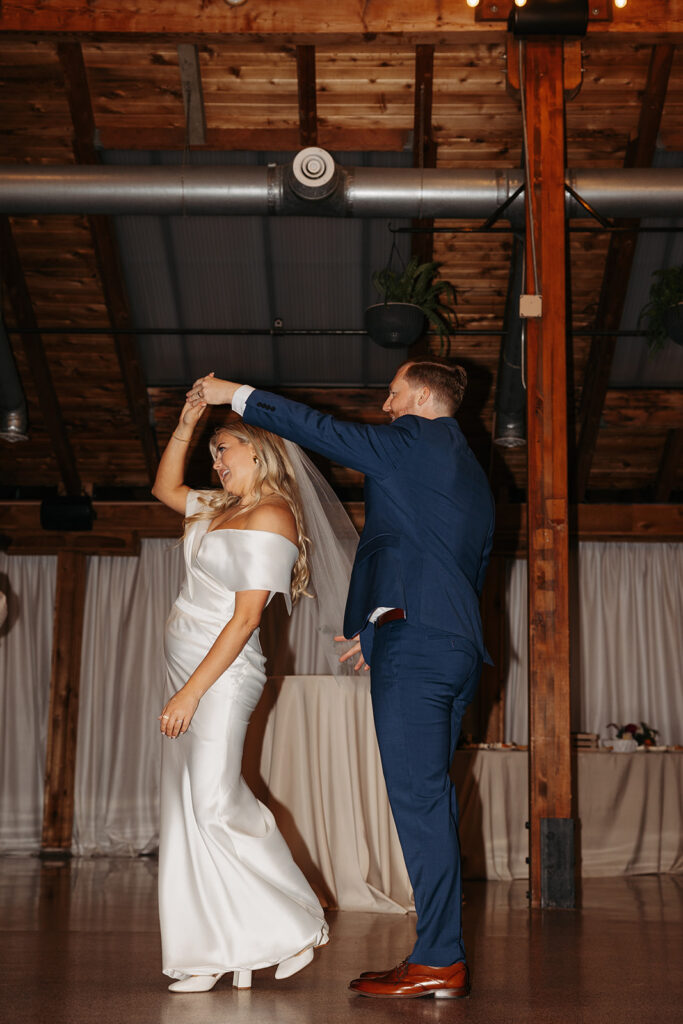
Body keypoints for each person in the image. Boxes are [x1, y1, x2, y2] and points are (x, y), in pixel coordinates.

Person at [187, 360, 495, 1000]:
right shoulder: (468, 469)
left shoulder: (419, 440)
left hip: (421, 650)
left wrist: (235, 396)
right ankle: (438, 954)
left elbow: (321, 430)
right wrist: (382, 623)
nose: (384, 406)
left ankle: (440, 958)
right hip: (450, 643)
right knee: (428, 802)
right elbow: (442, 559)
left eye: (390, 393)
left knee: (420, 805)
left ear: (416, 395)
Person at [151, 396, 333, 993]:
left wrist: (189, 695)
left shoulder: (273, 515)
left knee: (214, 803)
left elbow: (246, 617)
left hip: (221, 678)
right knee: (187, 810)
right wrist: (187, 426)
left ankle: (296, 921)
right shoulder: (220, 507)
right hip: (188, 667)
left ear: (258, 447)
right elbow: (164, 488)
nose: (217, 461)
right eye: (213, 453)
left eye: (223, 448)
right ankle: (208, 952)